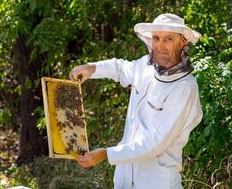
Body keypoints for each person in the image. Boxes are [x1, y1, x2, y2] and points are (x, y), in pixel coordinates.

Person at [69, 13, 203, 189]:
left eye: (168, 39)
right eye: (156, 38)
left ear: (183, 41)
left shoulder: (184, 88)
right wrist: (93, 68)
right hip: (124, 177)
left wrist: (105, 154)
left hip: (157, 181)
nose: (160, 45)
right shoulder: (145, 67)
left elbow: (155, 142)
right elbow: (121, 68)